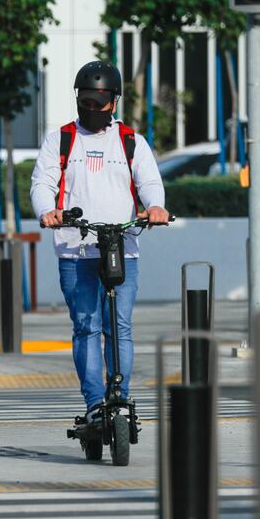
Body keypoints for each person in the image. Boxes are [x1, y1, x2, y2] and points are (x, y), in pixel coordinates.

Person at [30, 60, 169, 422]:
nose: (92, 109)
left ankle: (119, 398)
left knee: (118, 325)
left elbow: (150, 183)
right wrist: (48, 211)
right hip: (75, 249)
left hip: (122, 248)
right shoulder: (60, 139)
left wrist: (155, 207)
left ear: (114, 102)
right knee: (86, 326)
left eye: (99, 103)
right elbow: (42, 184)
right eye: (86, 102)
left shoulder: (130, 142)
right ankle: (94, 403)